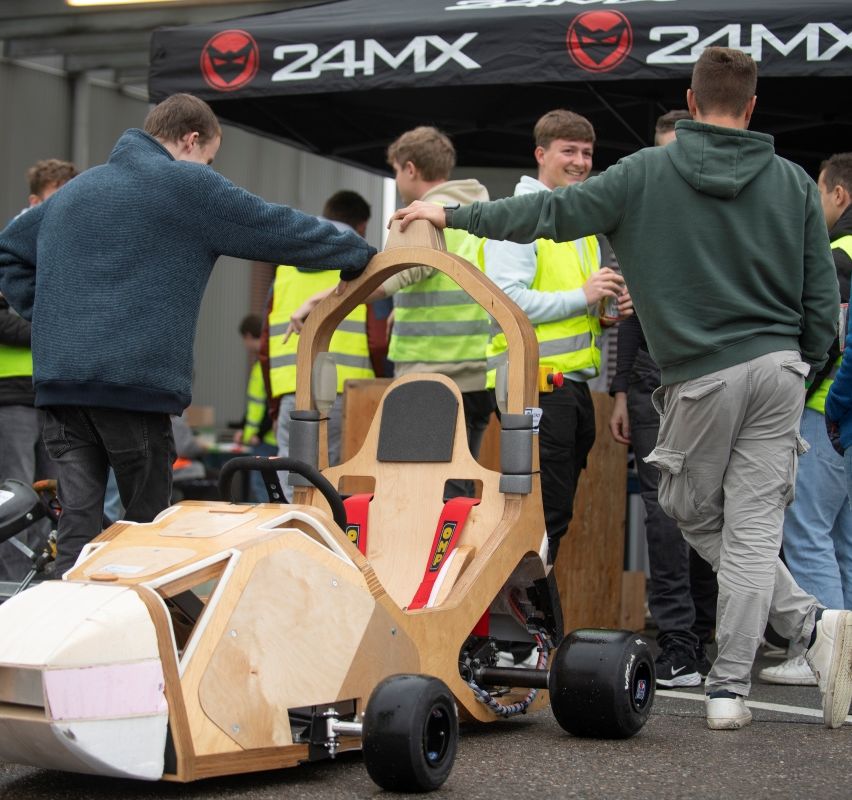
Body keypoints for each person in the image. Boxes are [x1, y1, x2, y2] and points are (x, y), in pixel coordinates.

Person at [393, 47, 851, 730]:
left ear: (691, 104)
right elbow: (822, 295)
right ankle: (778, 654)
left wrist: (453, 216)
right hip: (781, 369)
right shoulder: (789, 182)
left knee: (688, 508)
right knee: (755, 528)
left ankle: (763, 661)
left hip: (702, 373)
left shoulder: (644, 173)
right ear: (751, 108)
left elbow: (544, 216)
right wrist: (808, 365)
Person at [0, 93, 375, 576]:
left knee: (77, 526)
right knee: (145, 533)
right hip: (132, 388)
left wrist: (54, 319)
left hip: (59, 390)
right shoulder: (185, 184)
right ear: (191, 139)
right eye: (210, 158)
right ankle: (137, 641)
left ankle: (67, 636)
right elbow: (276, 226)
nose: (209, 169)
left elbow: (9, 249)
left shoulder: (76, 191)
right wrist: (357, 251)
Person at [481, 109, 630, 561]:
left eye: (587, 152)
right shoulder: (521, 218)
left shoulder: (577, 225)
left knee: (553, 517)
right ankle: (525, 626)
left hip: (570, 388)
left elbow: (574, 304)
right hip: (534, 389)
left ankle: (534, 624)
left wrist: (602, 313)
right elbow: (505, 299)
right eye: (569, 151)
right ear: (540, 154)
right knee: (541, 520)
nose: (581, 161)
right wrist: (582, 296)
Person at [608, 111, 717, 688]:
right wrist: (622, 388)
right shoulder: (644, 215)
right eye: (662, 153)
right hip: (654, 379)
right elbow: (626, 312)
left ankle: (698, 635)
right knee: (664, 506)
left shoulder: (721, 213)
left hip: (711, 376)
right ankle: (680, 638)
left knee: (706, 506)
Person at [761, 152, 852, 686]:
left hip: (828, 412)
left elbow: (830, 342)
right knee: (843, 540)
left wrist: (803, 399)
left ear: (838, 194)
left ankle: (824, 652)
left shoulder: (836, 253)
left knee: (808, 531)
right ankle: (844, 654)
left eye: (819, 193)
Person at [263, 190, 374, 495]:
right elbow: (378, 336)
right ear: (362, 225)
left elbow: (265, 340)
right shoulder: (360, 257)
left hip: (292, 388)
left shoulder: (286, 261)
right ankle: (326, 538)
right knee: (335, 476)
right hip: (346, 390)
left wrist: (273, 406)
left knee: (292, 477)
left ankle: (295, 537)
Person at [0, 158, 78, 582]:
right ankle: (12, 588)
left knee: (56, 495)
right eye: (55, 198)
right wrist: (51, 325)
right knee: (14, 496)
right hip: (11, 396)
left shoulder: (66, 249)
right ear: (34, 201)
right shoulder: (10, 248)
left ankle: (43, 577)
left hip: (53, 392)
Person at [235, 313, 278, 503]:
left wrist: (258, 433)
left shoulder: (267, 363)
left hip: (267, 440)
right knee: (265, 487)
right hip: (264, 438)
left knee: (262, 488)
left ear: (248, 336)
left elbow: (272, 403)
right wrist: (244, 428)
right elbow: (256, 404)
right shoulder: (264, 362)